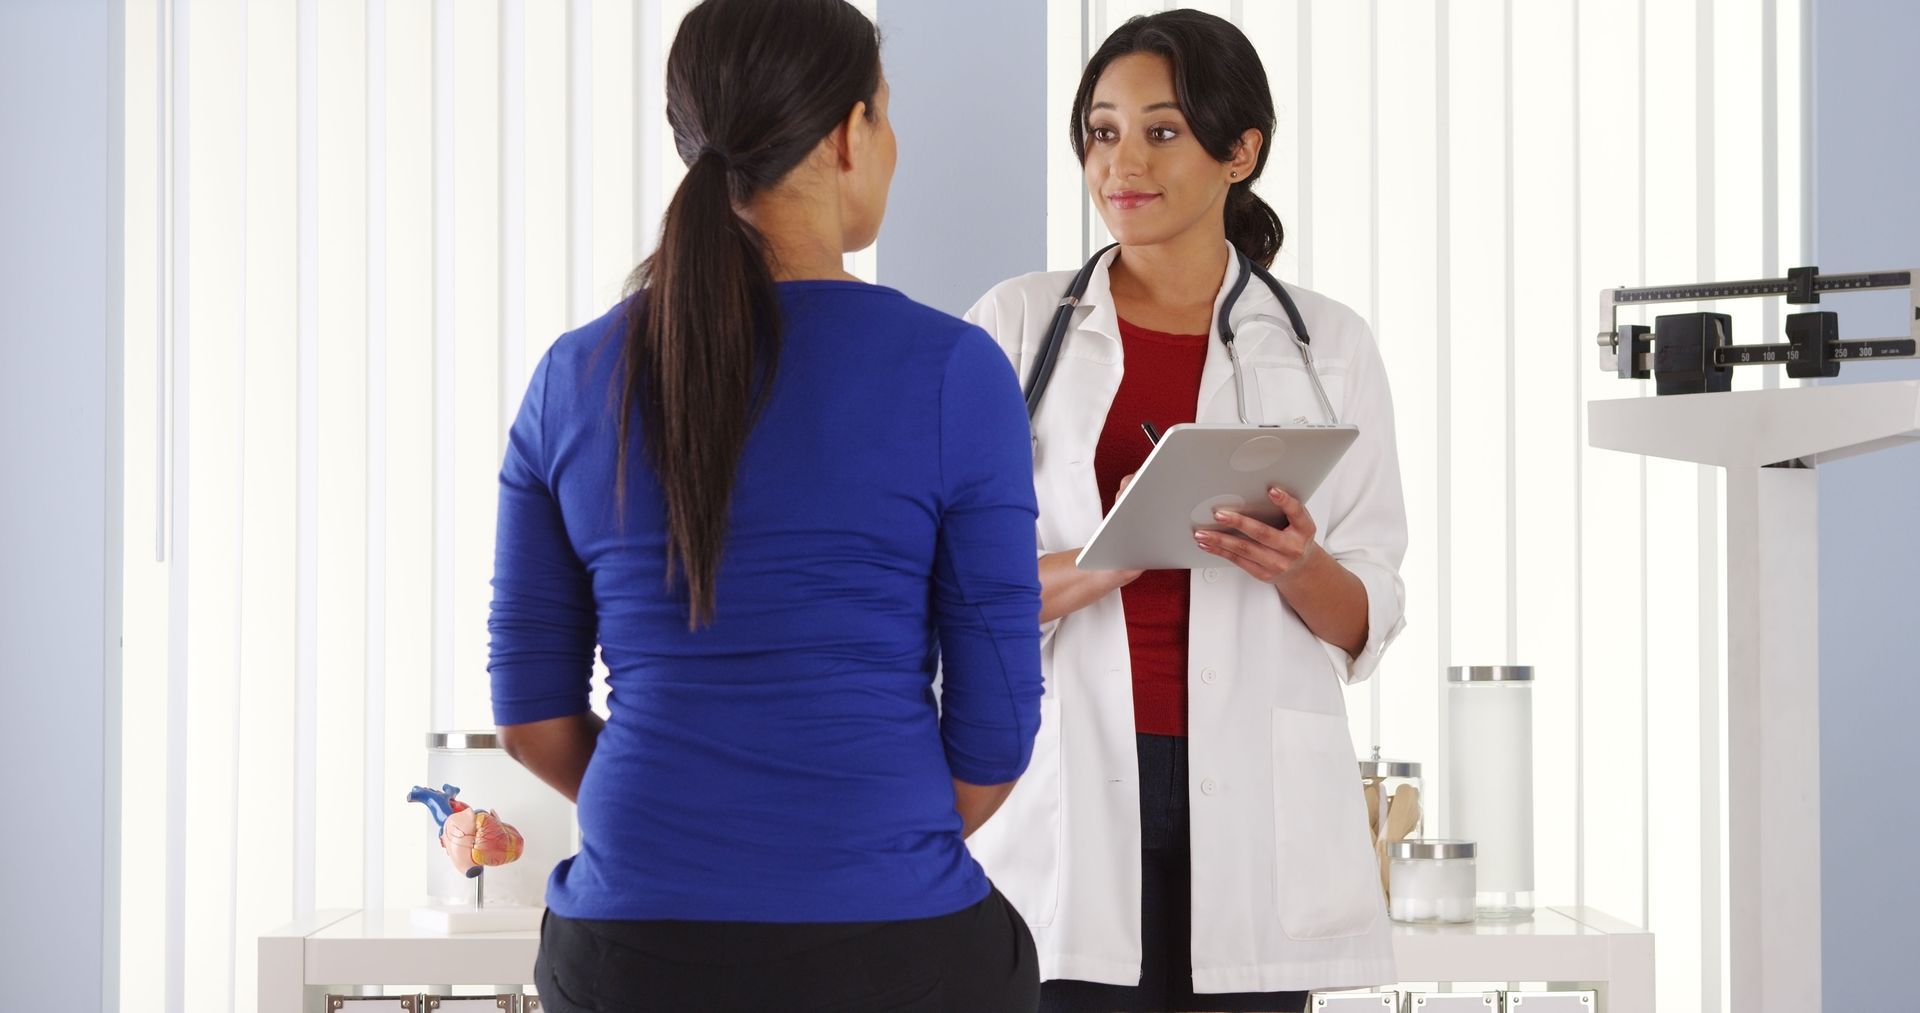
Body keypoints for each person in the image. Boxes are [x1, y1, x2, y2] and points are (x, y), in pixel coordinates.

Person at [486, 1, 1043, 1009]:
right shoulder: (955, 371)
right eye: (887, 113)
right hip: (895, 946)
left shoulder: (572, 378)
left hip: (630, 950)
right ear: (847, 134)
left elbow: (529, 716)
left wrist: (692, 816)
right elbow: (997, 730)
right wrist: (857, 830)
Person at [963, 10, 1409, 1011]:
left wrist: (1301, 565)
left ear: (1239, 150)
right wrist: (1106, 556)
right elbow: (943, 581)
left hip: (1254, 793)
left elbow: (1370, 607)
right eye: (1102, 130)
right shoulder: (1014, 325)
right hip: (1065, 778)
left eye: (1162, 131)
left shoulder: (1327, 344)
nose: (1123, 161)